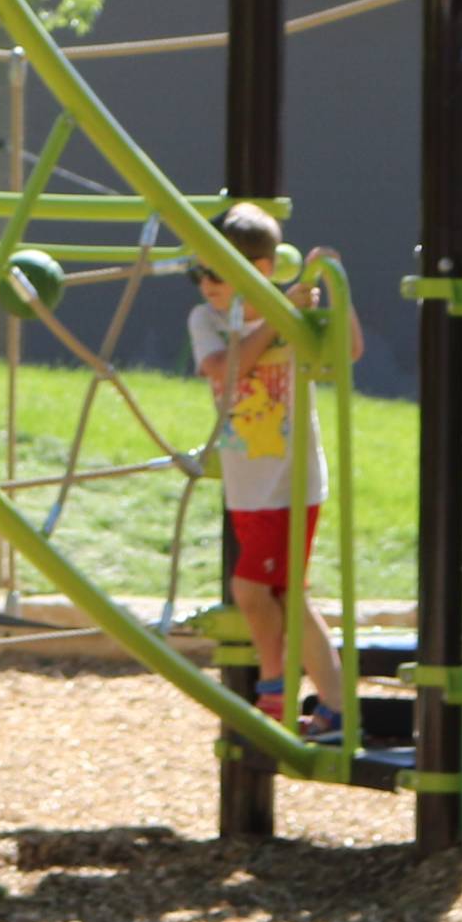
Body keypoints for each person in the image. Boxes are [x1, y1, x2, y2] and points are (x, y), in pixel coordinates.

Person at [186, 202, 347, 738]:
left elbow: (350, 349)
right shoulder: (206, 319)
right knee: (276, 594)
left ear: (258, 270)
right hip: (246, 484)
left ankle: (287, 692)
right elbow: (224, 369)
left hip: (292, 481)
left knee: (258, 590)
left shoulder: (291, 314)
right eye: (200, 270)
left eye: (218, 271)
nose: (206, 283)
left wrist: (329, 292)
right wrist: (279, 317)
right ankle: (323, 702)